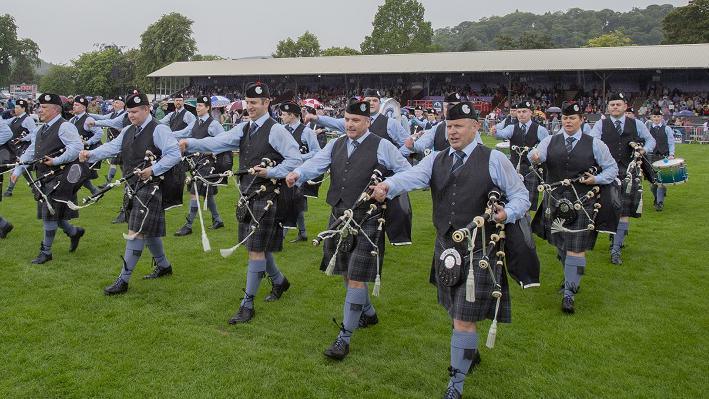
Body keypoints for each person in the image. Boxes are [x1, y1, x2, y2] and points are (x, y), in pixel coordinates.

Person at [370, 102, 530, 399]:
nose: (452, 131)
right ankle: (469, 351)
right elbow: (414, 176)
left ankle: (455, 386)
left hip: (480, 248)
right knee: (454, 311)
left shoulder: (494, 159)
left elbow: (521, 195)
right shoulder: (437, 159)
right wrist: (388, 185)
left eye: (459, 126)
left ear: (475, 127)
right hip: (446, 245)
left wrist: (505, 214)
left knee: (462, 319)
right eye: (449, 125)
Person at [285, 100, 411, 361]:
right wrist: (298, 173)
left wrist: (387, 186)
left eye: (356, 120)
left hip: (369, 218)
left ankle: (344, 338)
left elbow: (407, 172)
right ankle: (368, 313)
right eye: (347, 119)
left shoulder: (382, 145)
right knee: (345, 271)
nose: (350, 124)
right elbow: (317, 163)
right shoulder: (336, 143)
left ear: (367, 122)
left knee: (356, 277)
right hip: (339, 214)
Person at [179, 82, 302, 324]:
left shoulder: (276, 130)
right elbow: (219, 142)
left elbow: (295, 159)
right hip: (247, 194)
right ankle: (280, 282)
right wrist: (190, 143)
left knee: (255, 250)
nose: (250, 107)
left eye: (254, 103)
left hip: (268, 196)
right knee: (258, 247)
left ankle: (247, 305)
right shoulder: (245, 128)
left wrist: (272, 172)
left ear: (267, 103)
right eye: (248, 103)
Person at [79, 91, 181, 295]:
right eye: (128, 112)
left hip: (152, 187)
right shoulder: (128, 130)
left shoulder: (159, 129)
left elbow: (174, 154)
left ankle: (123, 280)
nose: (131, 115)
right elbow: (112, 147)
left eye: (134, 111)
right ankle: (164, 266)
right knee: (147, 230)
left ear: (146, 109)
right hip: (133, 185)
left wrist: (153, 170)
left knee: (136, 231)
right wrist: (91, 154)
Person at [529, 102, 618, 314]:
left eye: (573, 118)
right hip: (555, 201)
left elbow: (612, 168)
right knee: (561, 245)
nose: (568, 122)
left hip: (583, 202)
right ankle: (571, 276)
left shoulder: (595, 144)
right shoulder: (550, 140)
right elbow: (535, 156)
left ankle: (569, 294)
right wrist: (534, 157)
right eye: (565, 118)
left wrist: (596, 179)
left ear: (581, 120)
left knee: (575, 248)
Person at [11, 93, 85, 264]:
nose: (39, 110)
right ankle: (74, 232)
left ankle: (46, 252)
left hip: (60, 177)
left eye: (44, 108)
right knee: (54, 215)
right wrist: (18, 169)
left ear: (55, 109)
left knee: (49, 216)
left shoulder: (65, 126)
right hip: (43, 177)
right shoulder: (40, 128)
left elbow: (76, 148)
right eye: (40, 107)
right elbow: (32, 151)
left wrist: (57, 160)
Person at [589, 93, 655, 265]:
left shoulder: (636, 124)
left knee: (624, 212)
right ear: (608, 108)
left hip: (629, 172)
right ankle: (613, 237)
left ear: (625, 106)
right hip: (606, 172)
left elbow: (650, 140)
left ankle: (616, 249)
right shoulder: (600, 125)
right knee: (607, 208)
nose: (615, 107)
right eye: (612, 105)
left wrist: (644, 150)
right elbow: (592, 142)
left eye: (618, 104)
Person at [173, 95, 227, 236]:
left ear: (208, 107)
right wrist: (167, 133)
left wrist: (211, 151)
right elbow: (183, 133)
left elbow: (223, 141)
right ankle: (218, 220)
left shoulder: (214, 124)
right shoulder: (195, 123)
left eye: (201, 105)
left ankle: (188, 225)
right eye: (197, 105)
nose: (198, 108)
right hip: (196, 163)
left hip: (208, 164)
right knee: (206, 194)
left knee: (194, 192)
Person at [306, 88, 410, 156]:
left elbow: (408, 144)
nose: (372, 103)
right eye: (369, 100)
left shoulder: (390, 123)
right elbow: (334, 122)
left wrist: (394, 158)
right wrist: (316, 118)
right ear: (363, 103)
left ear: (380, 103)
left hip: (383, 176)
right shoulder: (355, 121)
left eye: (375, 100)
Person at [279, 101, 320, 242]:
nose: (281, 117)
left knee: (289, 202)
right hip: (284, 171)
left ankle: (280, 236)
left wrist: (300, 157)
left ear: (292, 116)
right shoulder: (282, 130)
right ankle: (302, 233)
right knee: (295, 204)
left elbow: (317, 152)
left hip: (299, 173)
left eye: (284, 114)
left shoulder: (306, 131)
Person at [90, 96, 127, 188]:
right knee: (119, 164)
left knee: (117, 163)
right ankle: (126, 182)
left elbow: (112, 123)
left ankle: (110, 183)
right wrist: (88, 114)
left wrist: (95, 123)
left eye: (117, 102)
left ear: (123, 104)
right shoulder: (113, 114)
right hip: (114, 142)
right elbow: (102, 117)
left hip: (122, 144)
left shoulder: (125, 114)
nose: (114, 104)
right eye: (114, 102)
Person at [3, 99, 37, 197]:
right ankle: (34, 187)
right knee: (23, 170)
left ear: (23, 108)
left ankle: (9, 190)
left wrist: (23, 139)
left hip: (24, 147)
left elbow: (34, 133)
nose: (15, 109)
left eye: (18, 108)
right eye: (15, 107)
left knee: (18, 167)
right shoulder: (14, 119)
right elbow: (4, 123)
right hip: (14, 148)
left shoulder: (28, 119)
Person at [70, 96, 103, 195]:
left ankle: (92, 191)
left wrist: (88, 142)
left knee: (79, 174)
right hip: (76, 152)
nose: (74, 106)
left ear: (84, 107)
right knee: (78, 173)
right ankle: (95, 191)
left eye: (77, 105)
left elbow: (99, 133)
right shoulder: (72, 120)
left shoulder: (88, 119)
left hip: (88, 152)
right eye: (74, 104)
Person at [647, 108, 676, 211]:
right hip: (651, 157)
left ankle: (659, 203)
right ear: (651, 118)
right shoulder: (647, 129)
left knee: (661, 181)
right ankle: (657, 197)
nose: (656, 118)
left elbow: (671, 142)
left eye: (658, 116)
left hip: (664, 157)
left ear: (661, 117)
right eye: (654, 116)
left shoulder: (667, 128)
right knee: (652, 184)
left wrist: (671, 154)